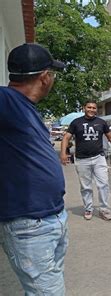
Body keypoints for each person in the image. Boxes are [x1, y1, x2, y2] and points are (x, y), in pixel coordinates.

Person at [0, 43, 68, 295]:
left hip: (51, 219)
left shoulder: (23, 107)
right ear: (44, 77)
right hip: (30, 224)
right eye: (52, 74)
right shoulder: (6, 99)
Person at [60, 101, 111, 221]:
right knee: (86, 186)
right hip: (82, 159)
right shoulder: (76, 122)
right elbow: (66, 137)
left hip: (98, 158)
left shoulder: (101, 122)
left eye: (94, 108)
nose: (92, 109)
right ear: (84, 108)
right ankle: (88, 208)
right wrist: (63, 153)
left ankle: (104, 209)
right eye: (89, 107)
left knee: (103, 184)